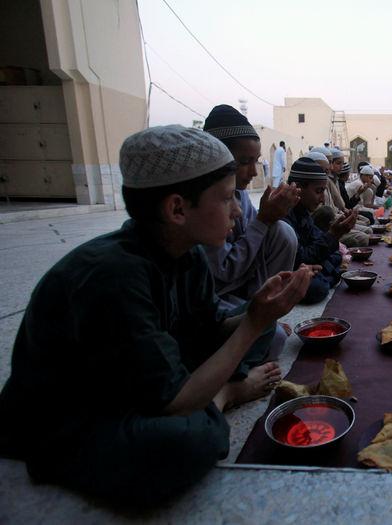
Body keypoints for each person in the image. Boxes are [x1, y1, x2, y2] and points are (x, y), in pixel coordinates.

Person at [0, 126, 314, 504]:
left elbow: (210, 327)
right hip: (76, 419)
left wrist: (259, 313)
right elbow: (173, 402)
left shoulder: (188, 252)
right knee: (188, 441)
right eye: (228, 198)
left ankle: (212, 393)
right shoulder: (111, 275)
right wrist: (248, 335)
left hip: (145, 377)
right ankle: (224, 395)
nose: (236, 211)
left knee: (265, 331)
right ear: (177, 208)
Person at [202, 105, 299, 310]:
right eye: (245, 162)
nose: (254, 172)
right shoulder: (204, 205)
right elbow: (223, 271)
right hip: (217, 292)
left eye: (255, 161)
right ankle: (261, 309)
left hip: (245, 278)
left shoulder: (241, 195)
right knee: (275, 336)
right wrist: (264, 219)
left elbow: (255, 236)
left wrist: (272, 216)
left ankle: (264, 302)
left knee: (282, 231)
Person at [283, 157, 358, 304]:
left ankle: (327, 274)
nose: (322, 198)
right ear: (297, 187)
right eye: (318, 191)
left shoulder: (303, 212)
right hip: (290, 271)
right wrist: (334, 234)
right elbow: (301, 259)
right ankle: (329, 276)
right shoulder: (284, 218)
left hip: (309, 265)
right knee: (318, 288)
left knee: (335, 257)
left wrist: (333, 237)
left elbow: (323, 244)